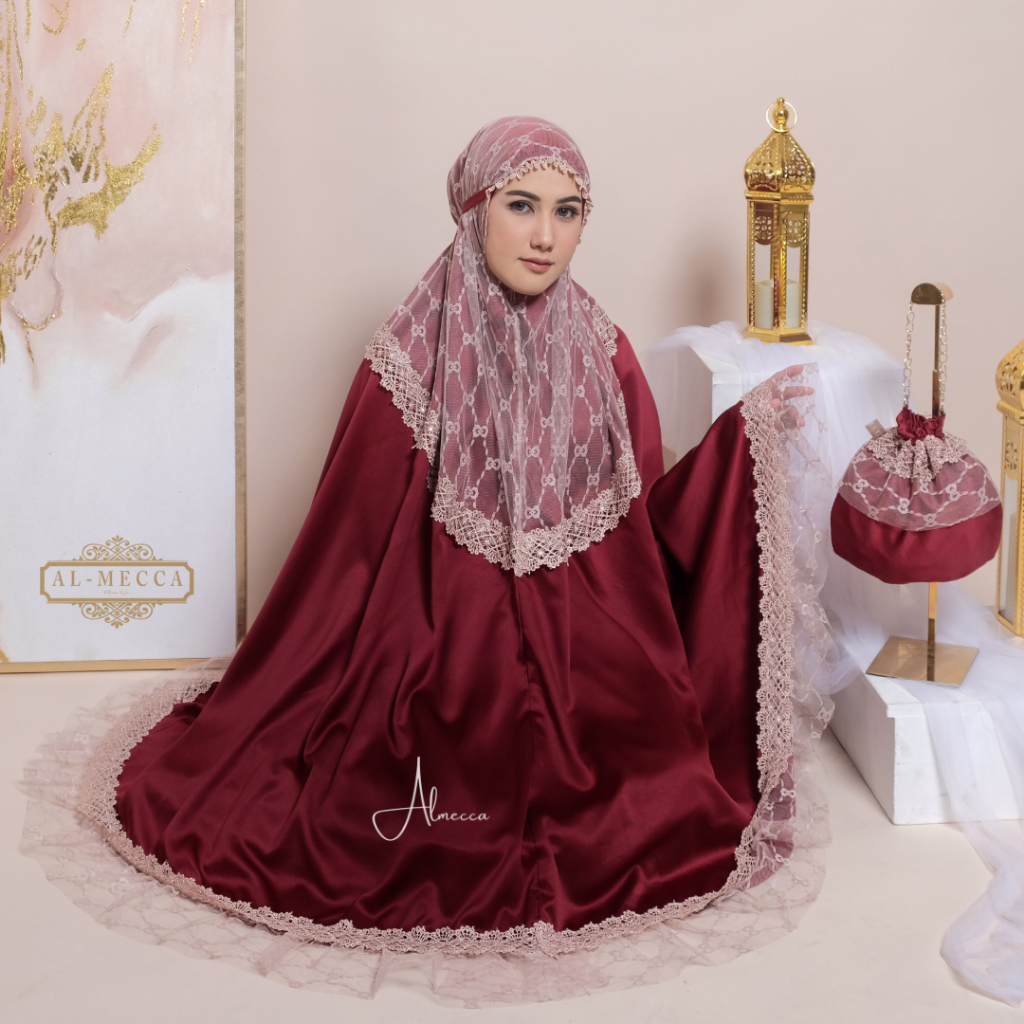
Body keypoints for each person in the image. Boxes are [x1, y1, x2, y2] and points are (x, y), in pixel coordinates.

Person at [73, 117, 829, 995]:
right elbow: (343, 556)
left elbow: (646, 536)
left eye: (568, 211)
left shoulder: (606, 352)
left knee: (634, 779)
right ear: (474, 210)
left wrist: (741, 442)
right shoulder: (404, 360)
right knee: (419, 769)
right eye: (521, 205)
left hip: (591, 668)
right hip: (429, 654)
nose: (545, 236)